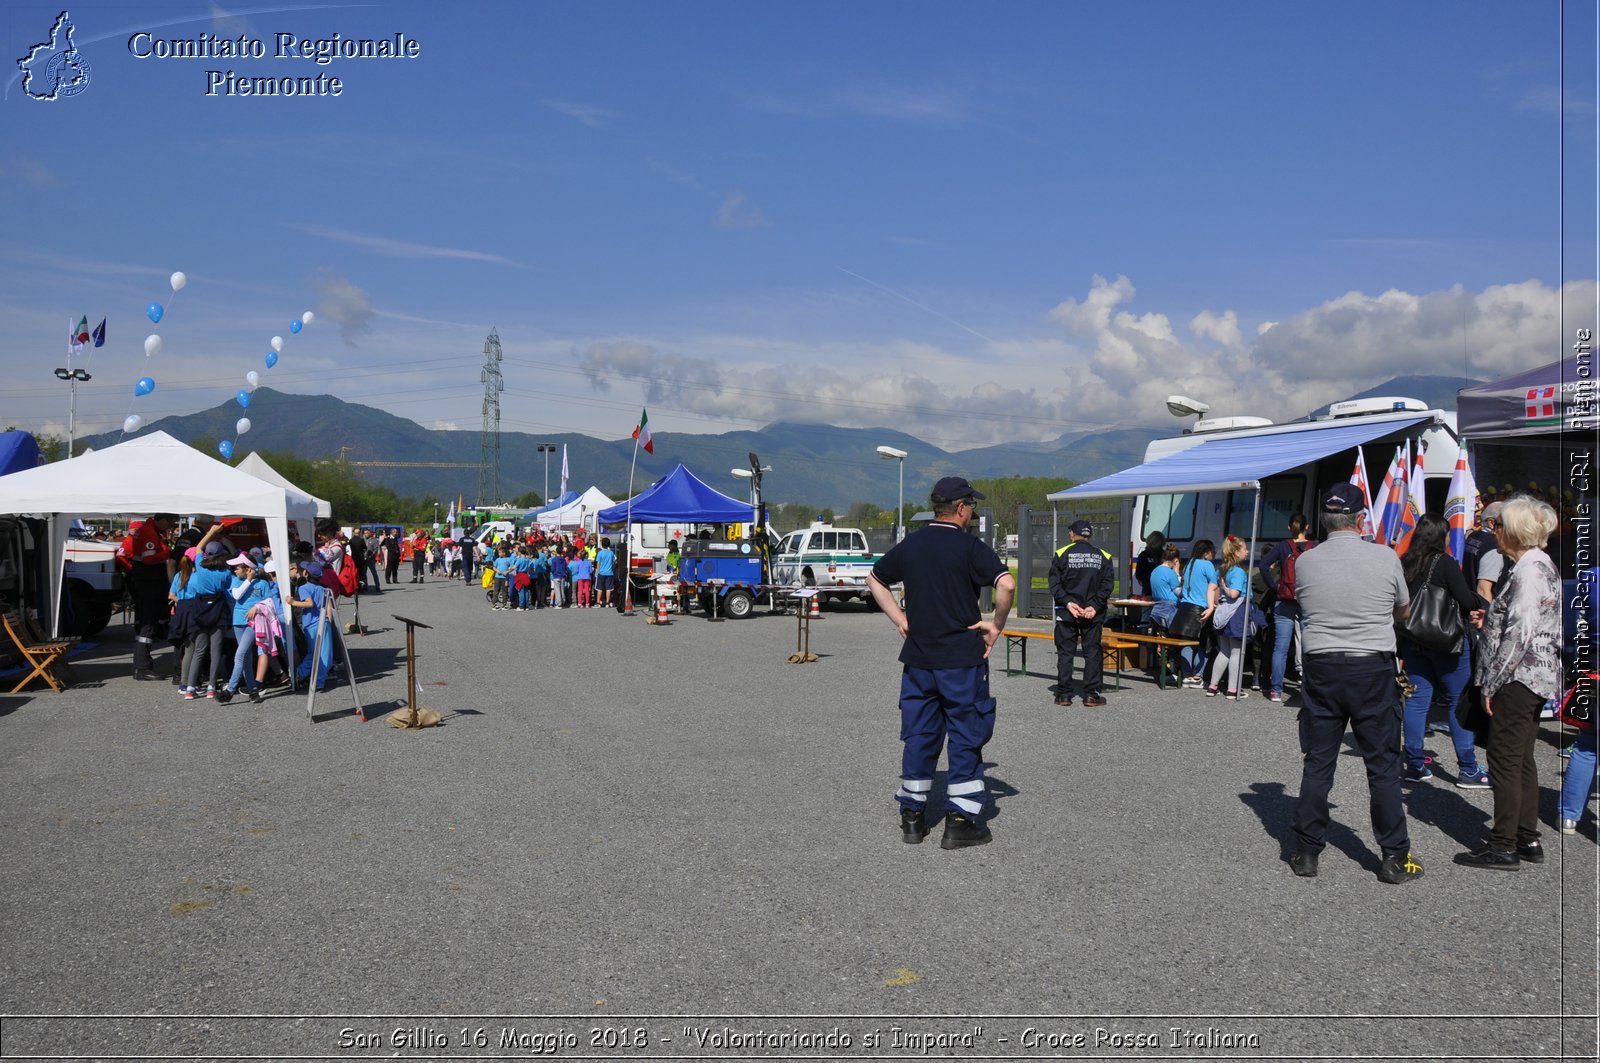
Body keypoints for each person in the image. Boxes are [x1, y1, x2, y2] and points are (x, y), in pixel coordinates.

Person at [866, 476, 1016, 850]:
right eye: (973, 508)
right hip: (961, 659)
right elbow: (1007, 585)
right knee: (965, 734)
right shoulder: (969, 547)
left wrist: (900, 619)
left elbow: (875, 578)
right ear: (962, 508)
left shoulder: (911, 545)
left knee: (919, 734)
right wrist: (996, 625)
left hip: (918, 659)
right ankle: (961, 821)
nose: (973, 515)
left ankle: (913, 817)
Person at [1288, 483, 1424, 884]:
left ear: (1323, 522)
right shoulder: (1384, 557)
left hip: (1322, 665)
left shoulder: (1307, 561)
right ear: (1361, 519)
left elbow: (1305, 603)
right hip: (1372, 667)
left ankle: (1306, 851)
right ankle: (1395, 856)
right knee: (1382, 766)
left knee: (1318, 763)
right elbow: (1403, 609)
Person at [1456, 494, 1562, 870]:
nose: (1493, 531)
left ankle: (1503, 845)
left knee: (1504, 758)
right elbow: (1520, 623)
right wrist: (1491, 622)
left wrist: (1491, 684)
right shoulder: (1534, 565)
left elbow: (1521, 634)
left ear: (1513, 531)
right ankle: (1526, 837)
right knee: (1522, 759)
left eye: (1498, 525)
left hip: (1518, 679)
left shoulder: (1529, 571)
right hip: (1531, 676)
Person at [1395, 513, 1489, 787]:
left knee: (1415, 700)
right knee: (1457, 701)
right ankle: (1468, 768)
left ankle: (1414, 764)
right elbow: (1465, 599)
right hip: (1446, 644)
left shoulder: (1405, 562)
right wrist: (1478, 601)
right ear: (1440, 536)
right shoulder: (1444, 562)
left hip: (1413, 641)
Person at [1048, 519, 1114, 708]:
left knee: (1065, 653)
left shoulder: (1061, 554)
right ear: (1088, 535)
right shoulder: (1103, 555)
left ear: (1072, 535)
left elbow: (1054, 584)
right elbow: (1107, 584)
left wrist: (1068, 603)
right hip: (1093, 613)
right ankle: (1092, 695)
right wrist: (1094, 605)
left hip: (1067, 612)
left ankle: (1064, 695)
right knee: (1092, 652)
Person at [1259, 513, 1313, 703]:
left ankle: (1275, 691)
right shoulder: (1314, 547)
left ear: (1289, 528)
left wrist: (1276, 587)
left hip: (1284, 599)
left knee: (1280, 647)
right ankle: (1307, 689)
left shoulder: (1283, 546)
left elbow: (1264, 565)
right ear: (1307, 526)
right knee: (1308, 646)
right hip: (1306, 600)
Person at [116, 512, 177, 680]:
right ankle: (142, 667)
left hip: (145, 582)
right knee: (147, 624)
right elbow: (148, 559)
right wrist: (167, 554)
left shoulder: (150, 531)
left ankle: (142, 664)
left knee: (145, 623)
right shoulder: (149, 533)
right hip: (147, 582)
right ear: (162, 520)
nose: (170, 527)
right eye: (170, 523)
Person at [1206, 534, 1253, 699]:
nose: (1247, 552)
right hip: (1236, 612)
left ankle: (1212, 686)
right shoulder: (1239, 572)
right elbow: (1234, 593)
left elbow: (1211, 588)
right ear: (1236, 552)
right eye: (1245, 549)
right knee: (1236, 652)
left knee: (1224, 651)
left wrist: (1211, 606)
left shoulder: (1220, 569)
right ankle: (1233, 689)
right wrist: (1226, 588)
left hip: (1223, 612)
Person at [1177, 540, 1219, 686]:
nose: (1215, 553)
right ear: (1206, 552)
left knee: (1187, 644)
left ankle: (1187, 675)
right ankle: (1197, 676)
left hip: (1185, 608)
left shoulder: (1189, 564)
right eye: (1213, 551)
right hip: (1201, 608)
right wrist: (1216, 604)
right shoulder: (1207, 565)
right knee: (1205, 644)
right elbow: (1214, 587)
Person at [1147, 543, 1182, 630]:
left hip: (1156, 609)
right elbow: (1179, 592)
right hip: (1170, 610)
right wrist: (1177, 574)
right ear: (1176, 560)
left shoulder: (1155, 571)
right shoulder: (1170, 573)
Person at [1133, 531, 1166, 597]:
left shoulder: (1164, 555)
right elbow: (1139, 575)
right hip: (1154, 589)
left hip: (1150, 588)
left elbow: (1139, 576)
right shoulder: (1144, 555)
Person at [595, 537, 617, 608]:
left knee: (599, 588)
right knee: (609, 588)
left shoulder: (600, 553)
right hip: (610, 572)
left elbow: (598, 563)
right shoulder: (611, 553)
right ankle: (607, 602)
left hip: (601, 572)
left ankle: (598, 602)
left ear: (602, 544)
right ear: (609, 544)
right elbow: (614, 561)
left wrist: (597, 571)